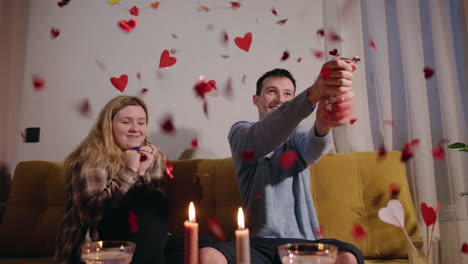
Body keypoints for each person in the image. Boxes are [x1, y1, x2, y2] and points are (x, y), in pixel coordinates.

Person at [199, 59, 364, 264]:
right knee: (207, 256)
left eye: (287, 94)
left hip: (302, 245)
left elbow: (314, 148)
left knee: (347, 257)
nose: (279, 99)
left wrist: (323, 124)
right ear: (255, 99)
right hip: (254, 246)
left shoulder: (298, 135)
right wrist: (312, 95)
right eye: (271, 91)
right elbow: (264, 134)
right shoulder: (241, 132)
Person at [55, 96, 169, 264]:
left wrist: (142, 171)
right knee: (155, 198)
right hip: (95, 246)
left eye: (141, 122)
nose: (135, 129)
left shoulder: (153, 156)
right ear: (108, 126)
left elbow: (152, 217)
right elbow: (91, 215)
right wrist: (130, 171)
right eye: (126, 122)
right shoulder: (90, 159)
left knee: (204, 245)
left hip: (138, 241)